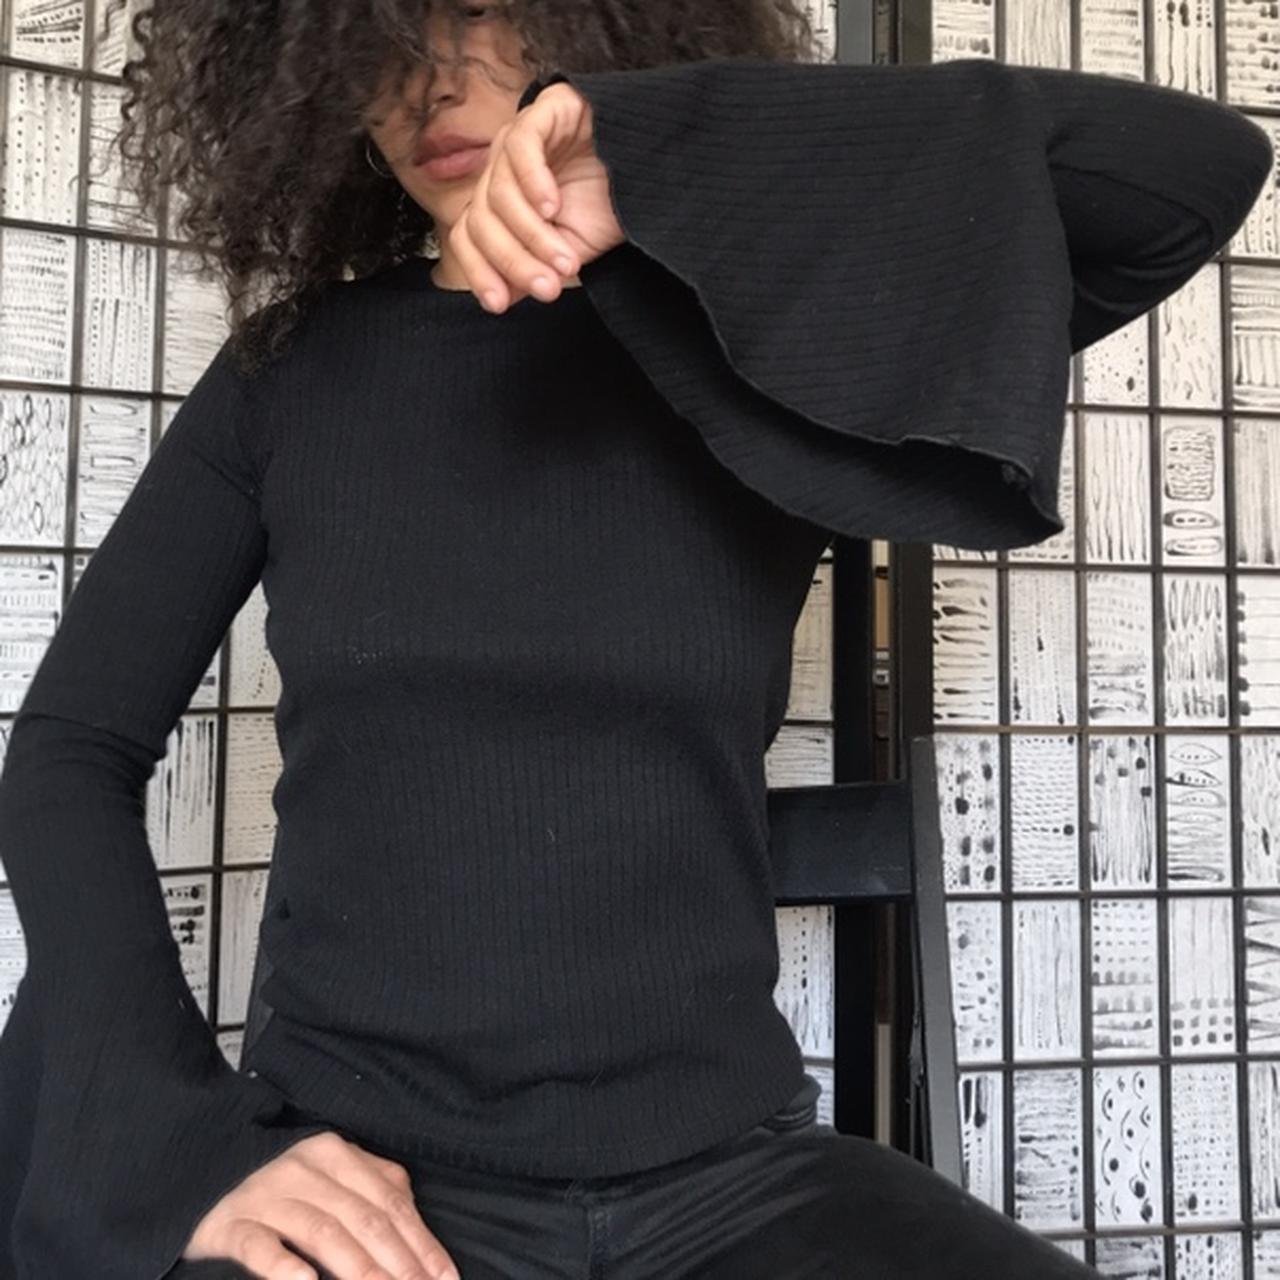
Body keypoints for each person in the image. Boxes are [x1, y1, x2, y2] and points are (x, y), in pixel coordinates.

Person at [0, 1, 1272, 1277]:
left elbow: (1188, 177)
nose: (431, 82)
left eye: (484, 14)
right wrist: (183, 1138)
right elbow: (67, 752)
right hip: (376, 1188)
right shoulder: (287, 378)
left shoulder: (767, 353)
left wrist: (660, 152)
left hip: (732, 1181)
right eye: (377, 37)